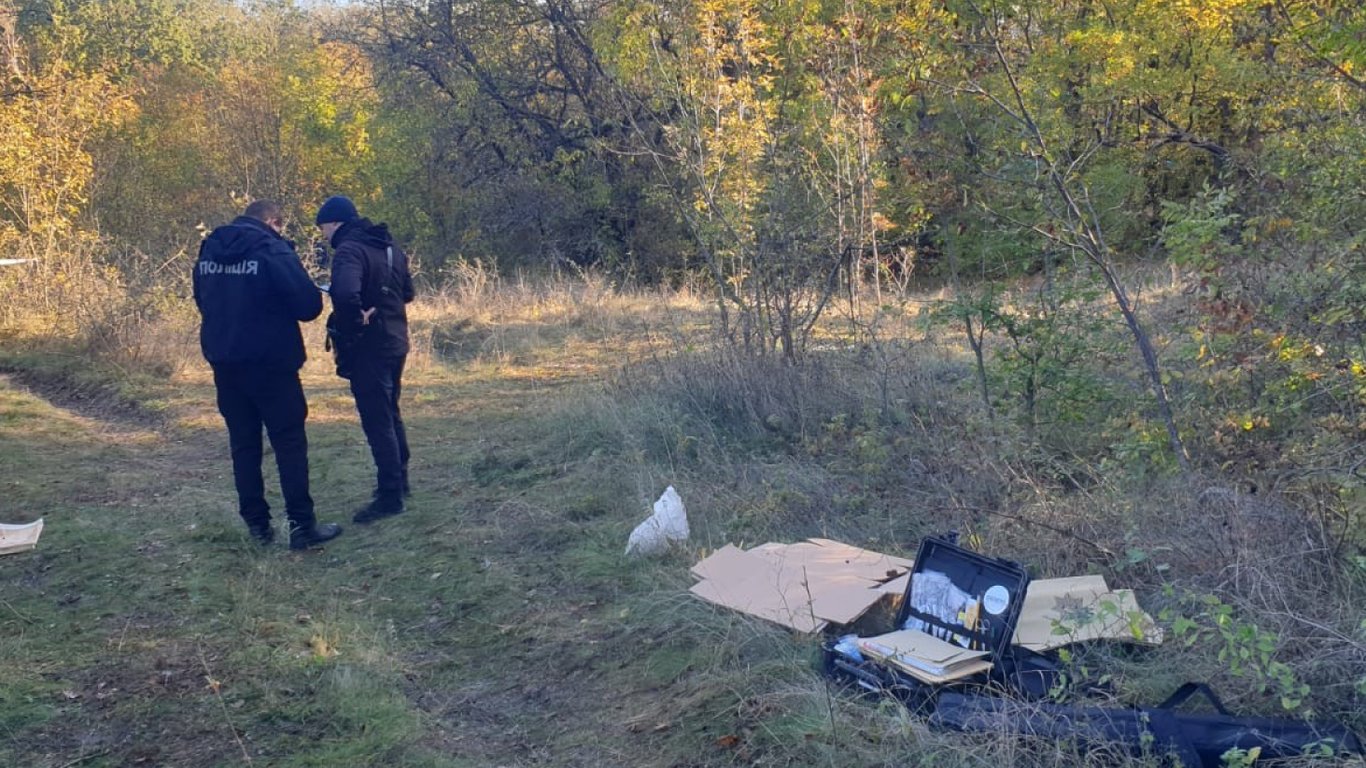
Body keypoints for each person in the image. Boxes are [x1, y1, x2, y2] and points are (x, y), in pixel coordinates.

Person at [193, 200, 343, 550]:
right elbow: (308, 306)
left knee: (244, 446)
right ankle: (302, 527)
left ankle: (258, 528)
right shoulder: (271, 249)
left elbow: (201, 299)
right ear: (274, 222)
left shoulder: (209, 249)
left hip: (226, 364)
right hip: (272, 364)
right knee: (289, 444)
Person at [315, 195, 415, 524]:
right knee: (391, 411)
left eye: (324, 227)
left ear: (336, 223)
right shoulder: (388, 245)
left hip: (369, 347)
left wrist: (355, 320)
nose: (324, 235)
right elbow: (409, 293)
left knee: (377, 419)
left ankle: (389, 498)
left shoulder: (349, 251)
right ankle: (401, 482)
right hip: (396, 340)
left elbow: (344, 294)